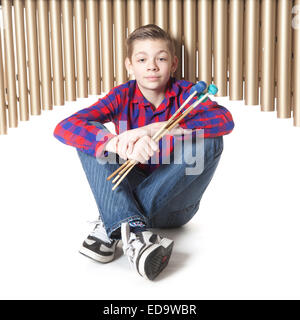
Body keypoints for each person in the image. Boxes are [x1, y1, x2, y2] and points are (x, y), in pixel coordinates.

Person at [53, 24, 234, 281]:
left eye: (160, 58)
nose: (151, 66)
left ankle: (113, 221)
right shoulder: (121, 96)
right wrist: (114, 143)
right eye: (142, 59)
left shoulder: (187, 94)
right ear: (130, 65)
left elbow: (225, 120)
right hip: (130, 187)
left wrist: (162, 129)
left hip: (175, 206)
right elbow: (65, 126)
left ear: (173, 64)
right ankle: (135, 234)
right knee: (91, 137)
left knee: (209, 141)